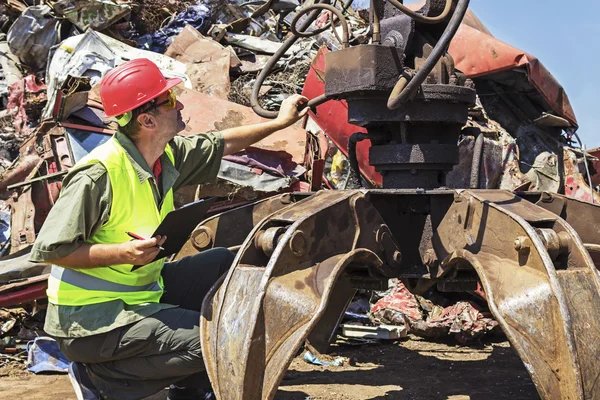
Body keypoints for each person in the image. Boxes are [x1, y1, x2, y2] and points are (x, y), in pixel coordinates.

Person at [29, 58, 308, 400]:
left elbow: (221, 143)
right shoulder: (98, 174)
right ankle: (104, 381)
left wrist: (280, 123)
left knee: (223, 263)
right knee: (215, 340)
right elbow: (51, 249)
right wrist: (122, 253)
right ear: (146, 119)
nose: (181, 105)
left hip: (138, 293)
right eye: (171, 101)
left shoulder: (164, 155)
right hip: (90, 323)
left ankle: (196, 383)